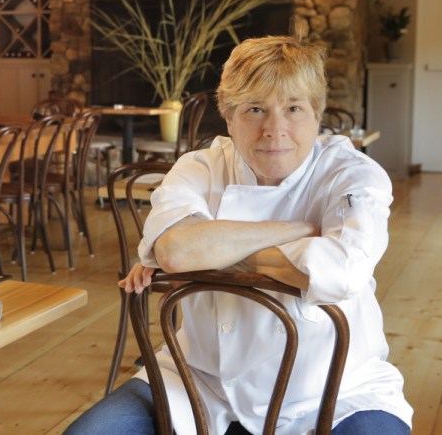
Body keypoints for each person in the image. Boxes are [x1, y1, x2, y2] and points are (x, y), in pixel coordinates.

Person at [65, 36, 412, 435]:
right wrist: (298, 231)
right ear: (228, 118)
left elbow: (343, 272)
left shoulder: (352, 174)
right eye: (255, 109)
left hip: (331, 392)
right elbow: (177, 251)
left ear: (317, 116)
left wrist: (212, 250)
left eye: (293, 108)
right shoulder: (200, 167)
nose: (274, 129)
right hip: (200, 379)